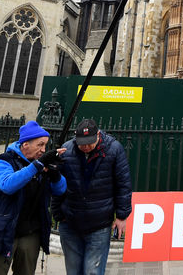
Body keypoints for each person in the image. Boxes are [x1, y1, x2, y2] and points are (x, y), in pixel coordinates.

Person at [0, 120, 67, 275]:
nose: (43, 149)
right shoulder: (3, 161)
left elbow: (60, 190)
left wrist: (55, 174)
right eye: (40, 145)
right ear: (25, 144)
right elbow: (8, 185)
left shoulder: (39, 164)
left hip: (30, 232)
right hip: (3, 231)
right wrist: (37, 165)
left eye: (45, 145)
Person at [52, 118, 132, 275]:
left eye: (90, 142)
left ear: (98, 136)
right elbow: (57, 184)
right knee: (73, 271)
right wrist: (58, 214)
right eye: (82, 143)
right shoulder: (66, 150)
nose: (86, 147)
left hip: (99, 223)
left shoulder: (114, 149)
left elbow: (123, 184)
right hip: (70, 221)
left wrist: (122, 216)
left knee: (92, 271)